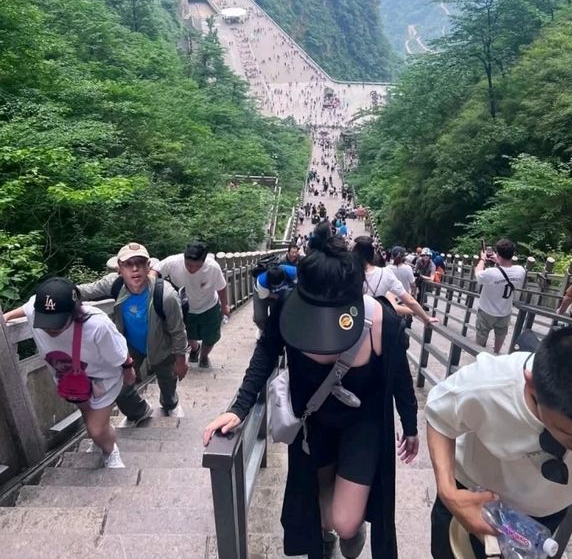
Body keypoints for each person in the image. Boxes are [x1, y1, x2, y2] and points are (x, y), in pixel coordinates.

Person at [203, 224, 419, 559]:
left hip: (362, 427)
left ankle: (350, 526)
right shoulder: (291, 307)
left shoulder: (380, 320)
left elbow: (400, 378)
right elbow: (266, 351)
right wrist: (240, 407)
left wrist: (411, 424)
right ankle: (323, 540)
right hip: (311, 425)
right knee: (318, 508)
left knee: (344, 521)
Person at [426, 325, 572, 559]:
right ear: (531, 385)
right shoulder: (488, 384)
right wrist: (448, 493)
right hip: (473, 500)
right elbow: (439, 417)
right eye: (569, 435)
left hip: (544, 517)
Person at [4, 277, 131, 468]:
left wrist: (129, 370)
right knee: (89, 418)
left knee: (95, 430)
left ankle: (110, 450)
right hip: (70, 382)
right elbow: (27, 307)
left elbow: (120, 355)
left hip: (103, 380)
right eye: (45, 322)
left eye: (57, 322)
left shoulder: (97, 325)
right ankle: (103, 433)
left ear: (75, 311)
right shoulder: (36, 309)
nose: (50, 328)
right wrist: (4, 318)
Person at [77, 242, 188, 421]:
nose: (135, 269)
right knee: (120, 388)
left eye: (140, 263)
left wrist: (181, 360)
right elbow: (84, 291)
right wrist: (52, 296)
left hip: (161, 347)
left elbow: (178, 331)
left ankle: (169, 402)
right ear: (119, 268)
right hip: (130, 348)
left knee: (167, 383)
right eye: (128, 264)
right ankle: (140, 411)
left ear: (148, 266)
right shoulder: (114, 284)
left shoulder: (165, 295)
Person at [152, 240, 230, 369]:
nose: (192, 269)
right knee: (187, 334)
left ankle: (204, 356)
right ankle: (195, 348)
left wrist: (225, 306)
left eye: (197, 266)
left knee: (211, 337)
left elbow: (221, 287)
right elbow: (155, 270)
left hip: (209, 305)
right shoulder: (173, 262)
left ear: (203, 261)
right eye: (188, 265)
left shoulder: (213, 267)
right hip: (184, 307)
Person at [353, 236, 438, 328]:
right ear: (372, 254)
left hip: (355, 321)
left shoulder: (347, 273)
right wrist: (425, 318)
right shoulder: (385, 273)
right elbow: (409, 300)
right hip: (378, 322)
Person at [474, 238, 526, 354]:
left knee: (481, 336)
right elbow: (507, 269)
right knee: (501, 334)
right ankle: (496, 354)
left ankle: (478, 355)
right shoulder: (520, 271)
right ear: (512, 254)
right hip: (505, 312)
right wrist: (498, 260)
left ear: (498, 253)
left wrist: (482, 258)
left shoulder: (491, 273)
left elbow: (477, 274)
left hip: (486, 311)